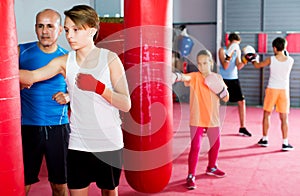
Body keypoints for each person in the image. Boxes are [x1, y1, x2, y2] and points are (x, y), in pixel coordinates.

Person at [19, 5, 131, 196]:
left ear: (92, 30)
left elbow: (125, 104)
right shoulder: (64, 61)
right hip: (78, 143)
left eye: (76, 30)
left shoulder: (110, 59)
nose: (70, 35)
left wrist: (99, 88)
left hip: (108, 142)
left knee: (109, 192)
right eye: (68, 30)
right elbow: (31, 76)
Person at [19, 9, 70, 196]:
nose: (45, 31)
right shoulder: (21, 52)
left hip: (58, 127)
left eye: (50, 26)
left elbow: (82, 90)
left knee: (59, 186)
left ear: (60, 30)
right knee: (21, 184)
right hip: (27, 127)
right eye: (40, 26)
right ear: (35, 28)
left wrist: (69, 96)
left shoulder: (68, 57)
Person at [173, 50, 229, 190]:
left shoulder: (217, 77)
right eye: (199, 63)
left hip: (213, 118)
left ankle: (212, 167)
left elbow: (226, 98)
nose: (202, 66)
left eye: (205, 63)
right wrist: (175, 76)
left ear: (210, 62)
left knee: (215, 145)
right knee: (196, 147)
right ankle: (191, 175)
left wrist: (220, 89)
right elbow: (184, 78)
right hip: (197, 118)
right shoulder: (195, 77)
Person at [249, 37, 294, 151]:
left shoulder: (271, 59)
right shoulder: (291, 60)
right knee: (284, 118)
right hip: (283, 91)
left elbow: (257, 65)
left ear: (274, 48)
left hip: (272, 89)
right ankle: (285, 142)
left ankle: (264, 139)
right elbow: (285, 56)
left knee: (267, 114)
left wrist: (253, 59)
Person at [218, 32, 252, 137]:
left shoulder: (236, 51)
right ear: (229, 42)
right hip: (223, 79)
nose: (236, 46)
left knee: (241, 102)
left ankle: (242, 127)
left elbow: (239, 66)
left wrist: (246, 60)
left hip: (234, 79)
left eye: (237, 44)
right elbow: (225, 66)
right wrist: (230, 54)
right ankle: (208, 125)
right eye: (234, 44)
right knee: (215, 103)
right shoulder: (222, 50)